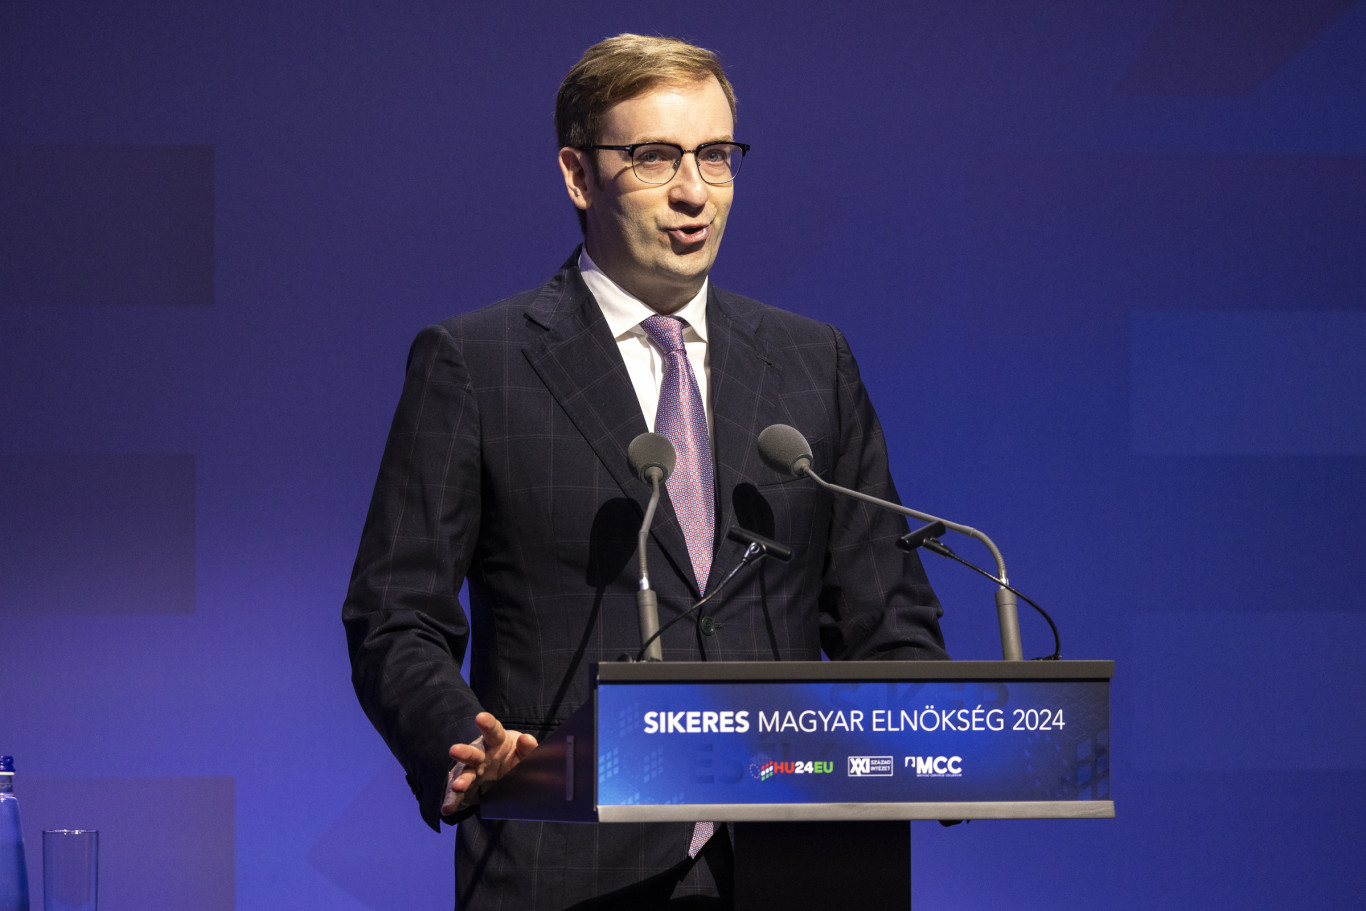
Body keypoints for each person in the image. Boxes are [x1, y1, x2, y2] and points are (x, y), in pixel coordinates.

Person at [343, 33, 949, 910]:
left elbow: (886, 615)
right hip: (569, 863)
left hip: (805, 863)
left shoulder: (813, 362)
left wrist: (944, 740)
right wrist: (464, 741)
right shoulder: (477, 364)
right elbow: (395, 617)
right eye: (655, 157)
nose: (694, 190)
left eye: (716, 155)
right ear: (578, 175)